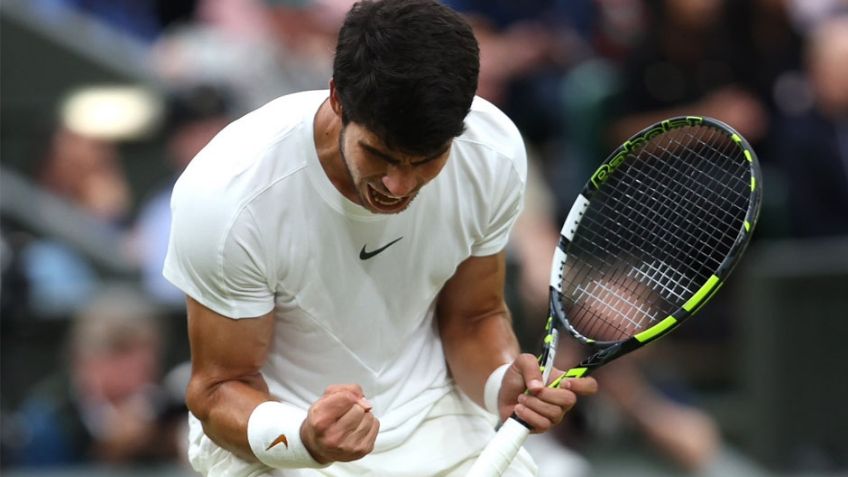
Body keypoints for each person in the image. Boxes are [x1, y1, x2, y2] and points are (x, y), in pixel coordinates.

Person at [162, 1, 597, 476]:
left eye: (427, 160)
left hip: (439, 424)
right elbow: (218, 386)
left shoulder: (491, 156)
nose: (399, 186)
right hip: (279, 440)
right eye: (380, 155)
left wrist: (501, 385)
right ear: (336, 98)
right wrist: (305, 436)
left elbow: (473, 318)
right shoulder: (230, 194)